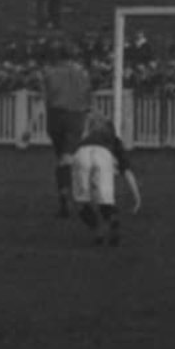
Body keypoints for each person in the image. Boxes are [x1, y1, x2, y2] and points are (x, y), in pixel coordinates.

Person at [71, 108, 141, 246]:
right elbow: (127, 171)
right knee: (105, 200)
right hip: (103, 155)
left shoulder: (85, 138)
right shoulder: (114, 140)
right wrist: (137, 197)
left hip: (82, 153)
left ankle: (98, 232)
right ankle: (112, 220)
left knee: (81, 202)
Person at [41, 40, 92, 218]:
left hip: (55, 117)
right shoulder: (83, 74)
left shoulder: (49, 73)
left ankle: (64, 196)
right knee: (68, 158)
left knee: (61, 158)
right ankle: (76, 198)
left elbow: (46, 97)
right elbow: (87, 95)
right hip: (75, 116)